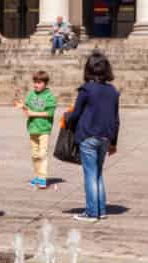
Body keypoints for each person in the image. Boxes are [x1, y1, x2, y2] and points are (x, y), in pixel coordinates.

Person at [58, 51, 120, 222]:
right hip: (106, 138)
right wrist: (113, 143)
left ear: (88, 69)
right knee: (98, 173)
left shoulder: (86, 89)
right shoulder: (113, 91)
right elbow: (116, 119)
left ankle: (92, 212)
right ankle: (101, 209)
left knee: (90, 175)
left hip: (88, 136)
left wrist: (66, 118)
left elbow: (76, 113)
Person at [15, 69, 59, 189]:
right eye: (35, 82)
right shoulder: (31, 94)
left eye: (39, 83)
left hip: (44, 129)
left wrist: (33, 113)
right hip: (32, 128)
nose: (36, 85)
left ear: (45, 84)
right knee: (34, 154)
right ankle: (38, 176)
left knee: (42, 153)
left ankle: (43, 178)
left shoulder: (49, 96)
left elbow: (49, 113)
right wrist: (23, 107)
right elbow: (28, 111)